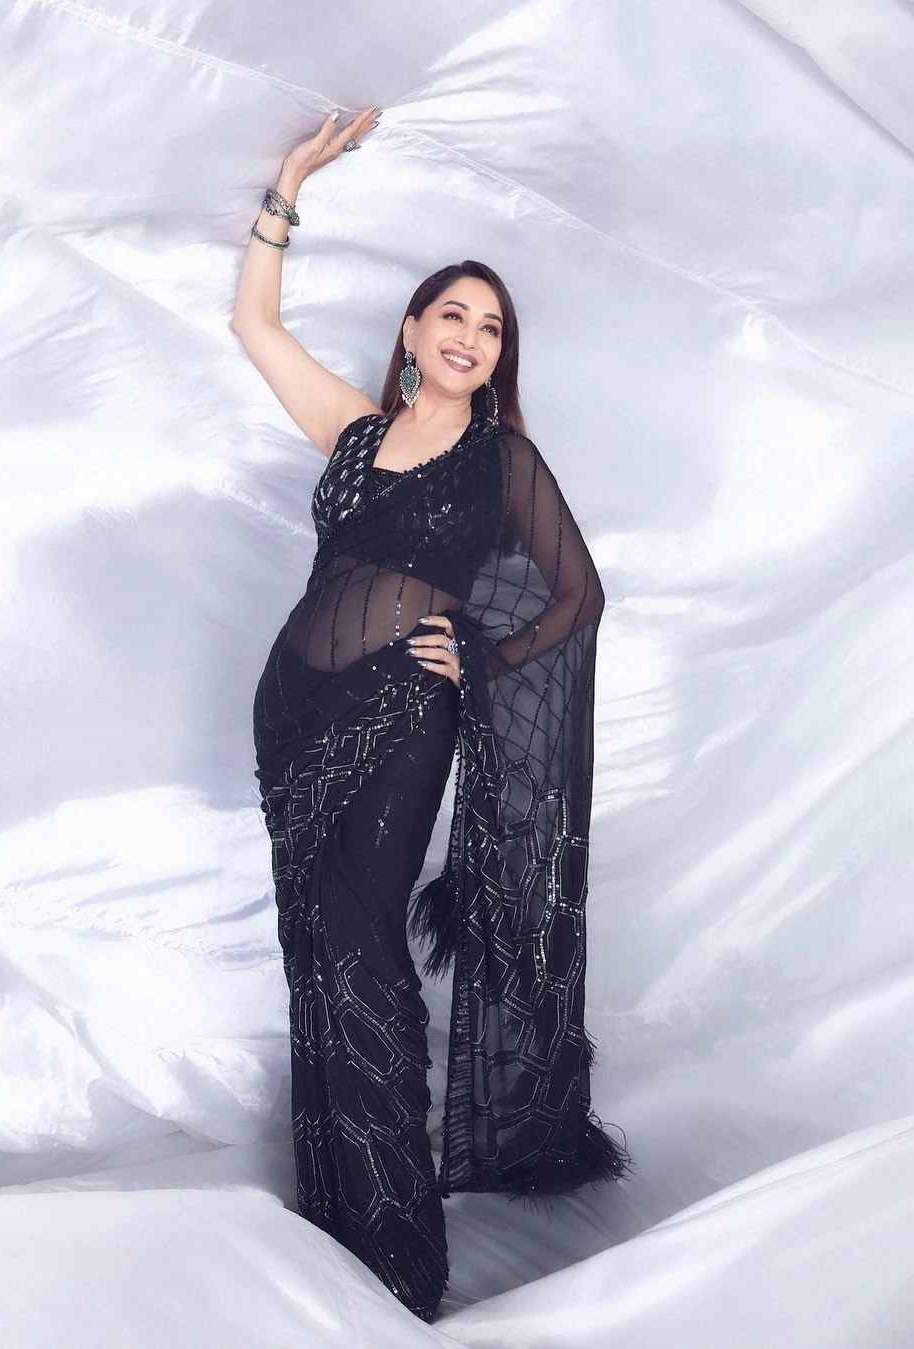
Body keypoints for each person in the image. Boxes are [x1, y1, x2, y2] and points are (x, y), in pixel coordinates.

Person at [231, 106, 632, 1323]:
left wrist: (488, 656)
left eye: (490, 326)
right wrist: (289, 185)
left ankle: (400, 1245)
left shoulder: (503, 461)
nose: (468, 335)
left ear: (499, 357)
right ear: (412, 331)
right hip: (294, 716)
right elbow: (255, 326)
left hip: (405, 711)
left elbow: (578, 594)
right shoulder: (354, 435)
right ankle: (339, 1211)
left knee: (365, 949)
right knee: (315, 947)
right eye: (452, 314)